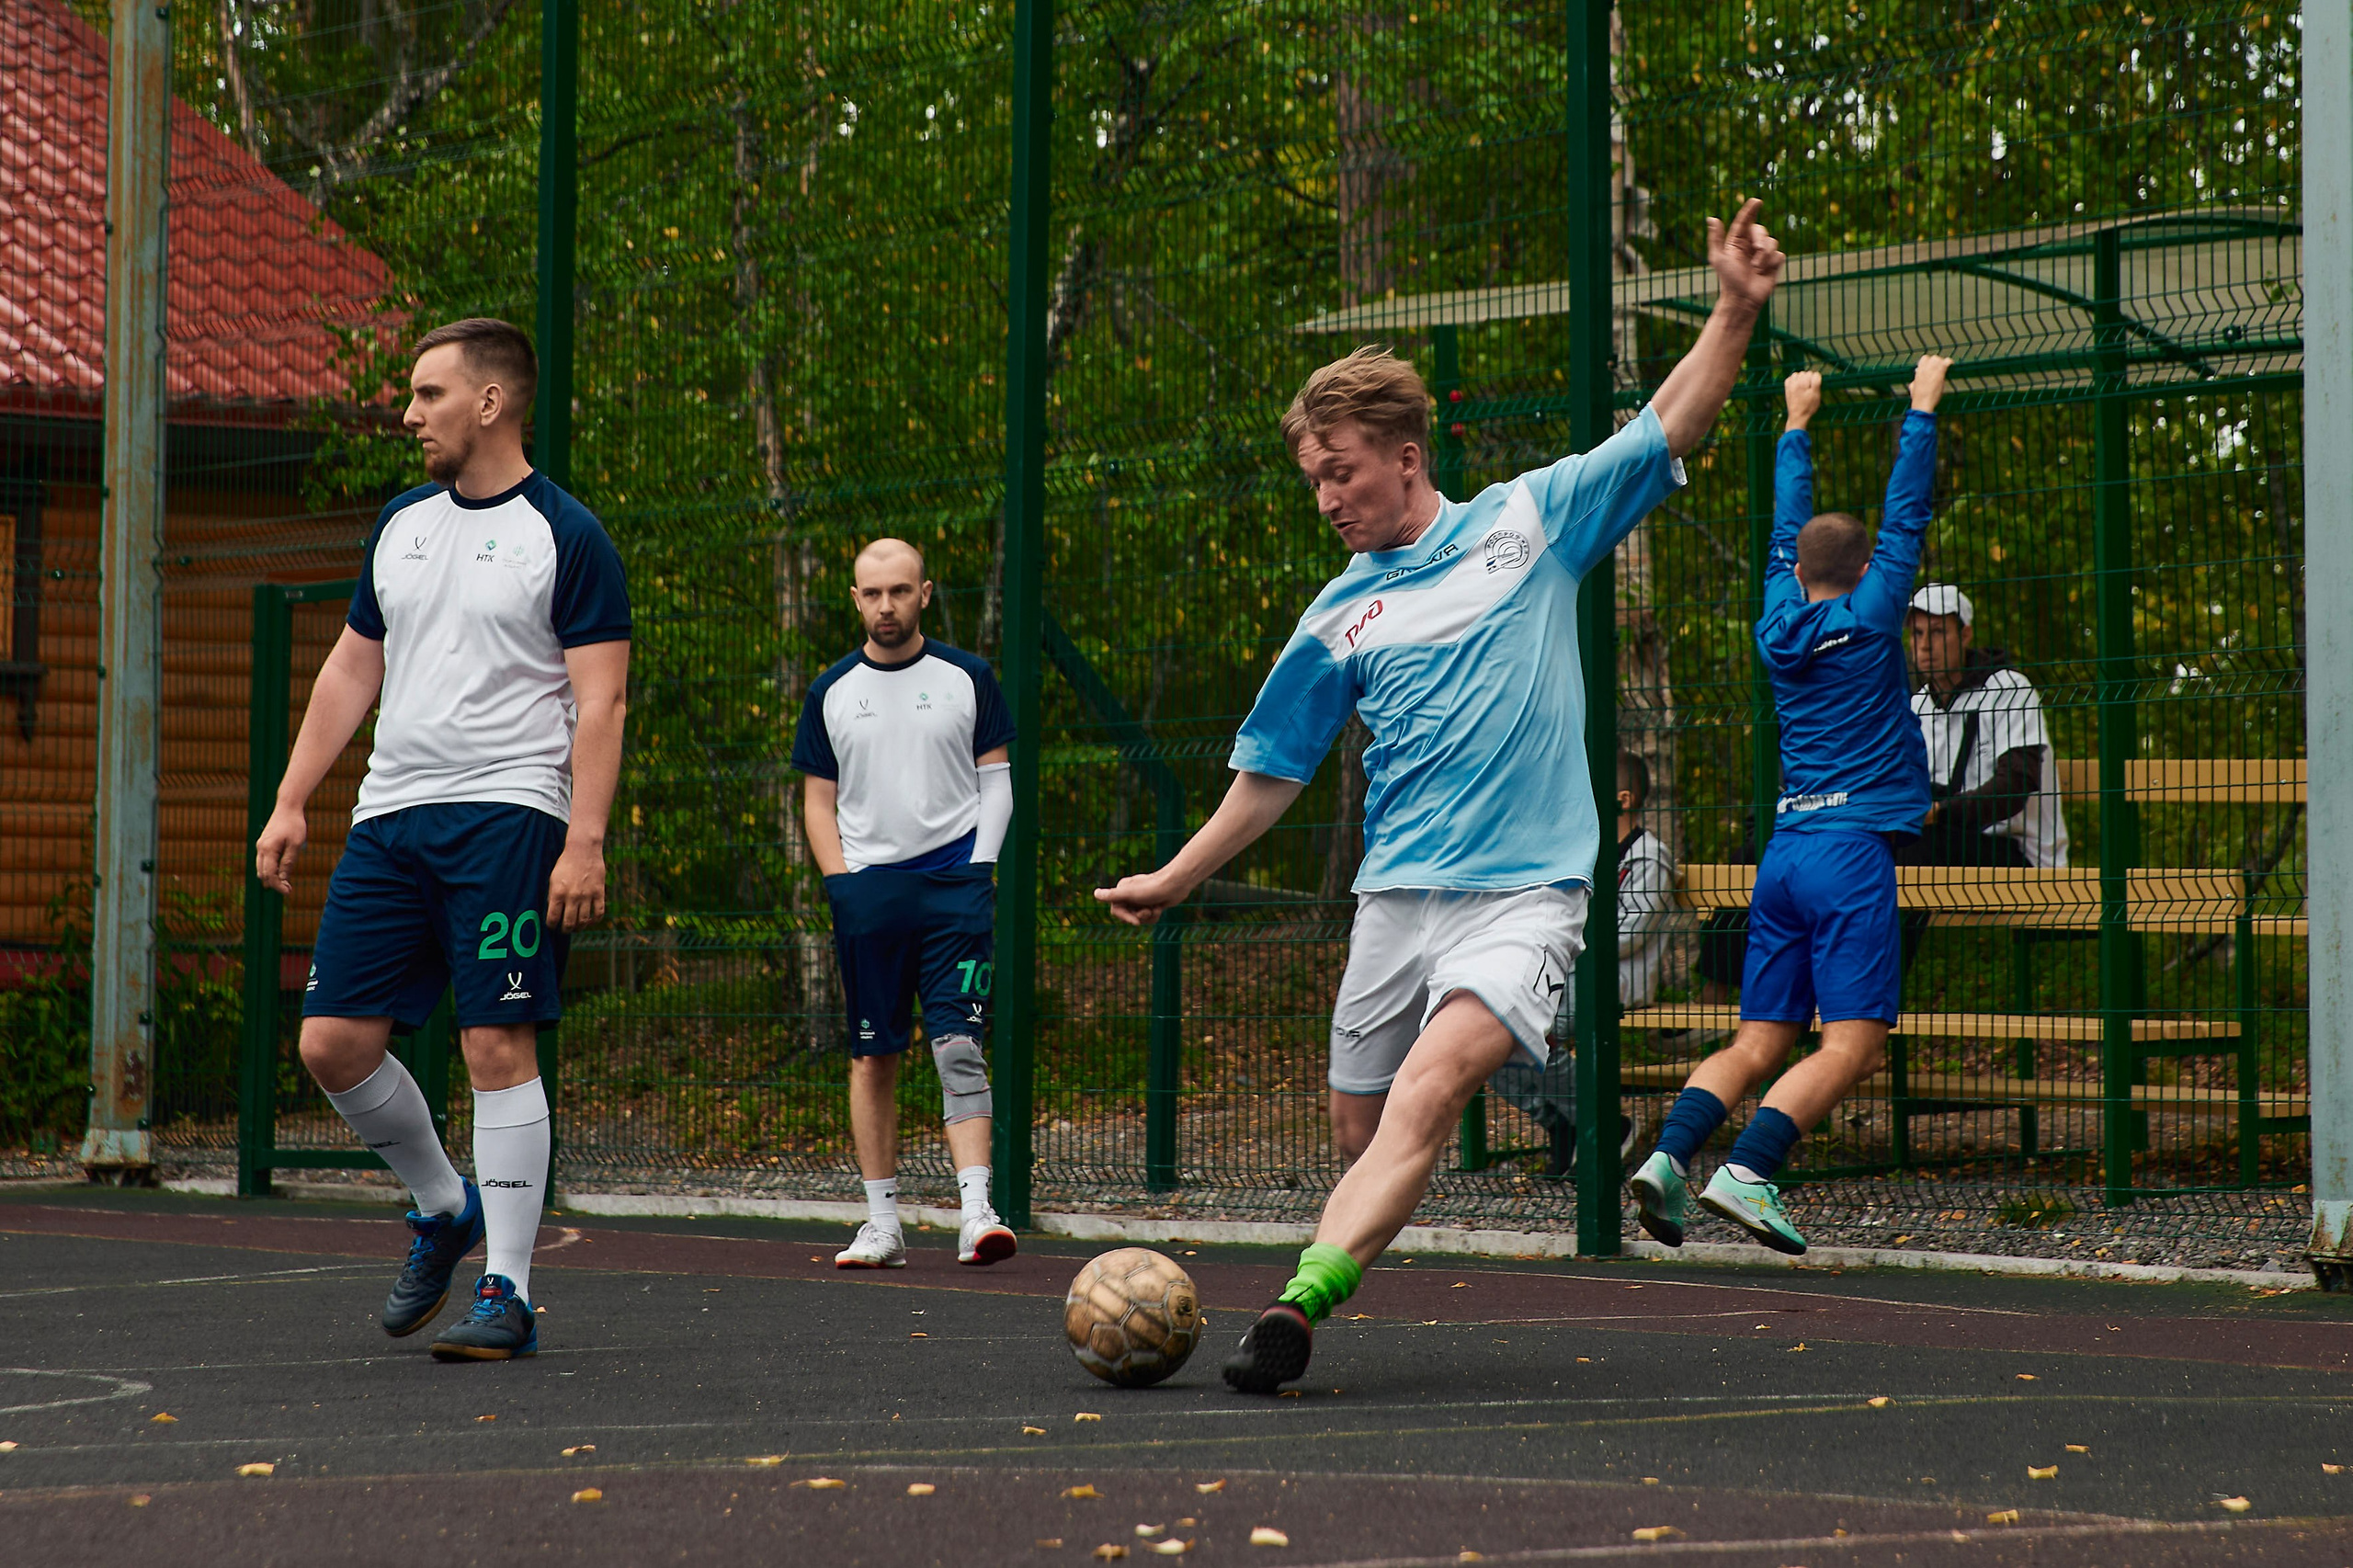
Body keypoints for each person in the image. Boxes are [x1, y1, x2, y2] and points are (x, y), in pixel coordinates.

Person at [1096, 200, 1786, 1393]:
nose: (1325, 497)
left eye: (1341, 472)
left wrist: (1732, 307)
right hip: (1393, 904)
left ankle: (1296, 1309)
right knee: (1360, 1135)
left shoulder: (1531, 521)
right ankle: (1339, 1249)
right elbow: (1268, 777)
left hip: (1525, 894)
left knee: (1430, 1086)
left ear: (1405, 456)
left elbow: (1668, 422)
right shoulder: (1335, 617)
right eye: (1312, 478)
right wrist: (1175, 875)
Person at [254, 318, 631, 1360]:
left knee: (491, 1042)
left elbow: (601, 702)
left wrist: (583, 839)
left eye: (428, 395)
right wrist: (292, 801)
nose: (410, 415)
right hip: (391, 815)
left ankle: (508, 1289)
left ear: (491, 403)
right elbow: (349, 670)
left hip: (511, 815)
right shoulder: (400, 524)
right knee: (330, 1041)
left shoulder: (569, 533)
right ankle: (441, 1203)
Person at [1628, 355, 1948, 1257]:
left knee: (1759, 1035)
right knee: (1851, 1044)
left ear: (1802, 567)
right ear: (1862, 569)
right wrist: (1920, 406)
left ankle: (1669, 1155)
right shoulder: (1879, 610)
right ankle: (1750, 1169)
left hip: (1785, 853)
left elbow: (1781, 533)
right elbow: (1907, 516)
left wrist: (1795, 422)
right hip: (1850, 856)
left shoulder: (1775, 617)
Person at [793, 539, 1018, 1270]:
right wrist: (842, 886)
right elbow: (817, 803)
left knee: (958, 1046)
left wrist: (980, 865)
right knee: (873, 1056)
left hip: (955, 881)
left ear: (925, 592)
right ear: (854, 600)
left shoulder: (969, 677)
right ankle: (882, 1224)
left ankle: (977, 1212)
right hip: (869, 893)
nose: (885, 605)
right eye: (872, 594)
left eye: (899, 590)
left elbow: (997, 781)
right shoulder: (829, 691)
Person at [1485, 750, 1673, 1177]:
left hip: (1615, 981)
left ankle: (1605, 1123)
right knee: (1487, 1031)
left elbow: (1629, 936)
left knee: (1522, 1028)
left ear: (1622, 799)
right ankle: (1565, 1124)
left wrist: (1562, 939)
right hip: (1566, 974)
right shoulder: (1582, 854)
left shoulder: (1648, 856)